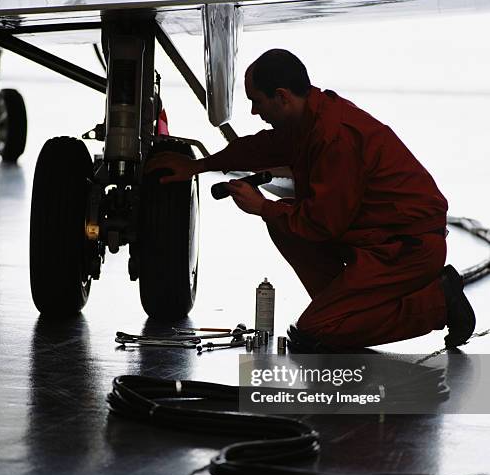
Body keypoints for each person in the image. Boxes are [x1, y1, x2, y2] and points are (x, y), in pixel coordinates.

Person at [145, 49, 475, 351]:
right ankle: (339, 305)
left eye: (257, 101)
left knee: (314, 333)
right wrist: (199, 165)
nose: (253, 110)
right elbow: (263, 148)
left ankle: (437, 303)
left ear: (282, 97)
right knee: (284, 223)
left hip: (405, 250)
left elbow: (323, 223)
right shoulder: (308, 119)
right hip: (375, 240)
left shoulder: (334, 137)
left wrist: (261, 206)